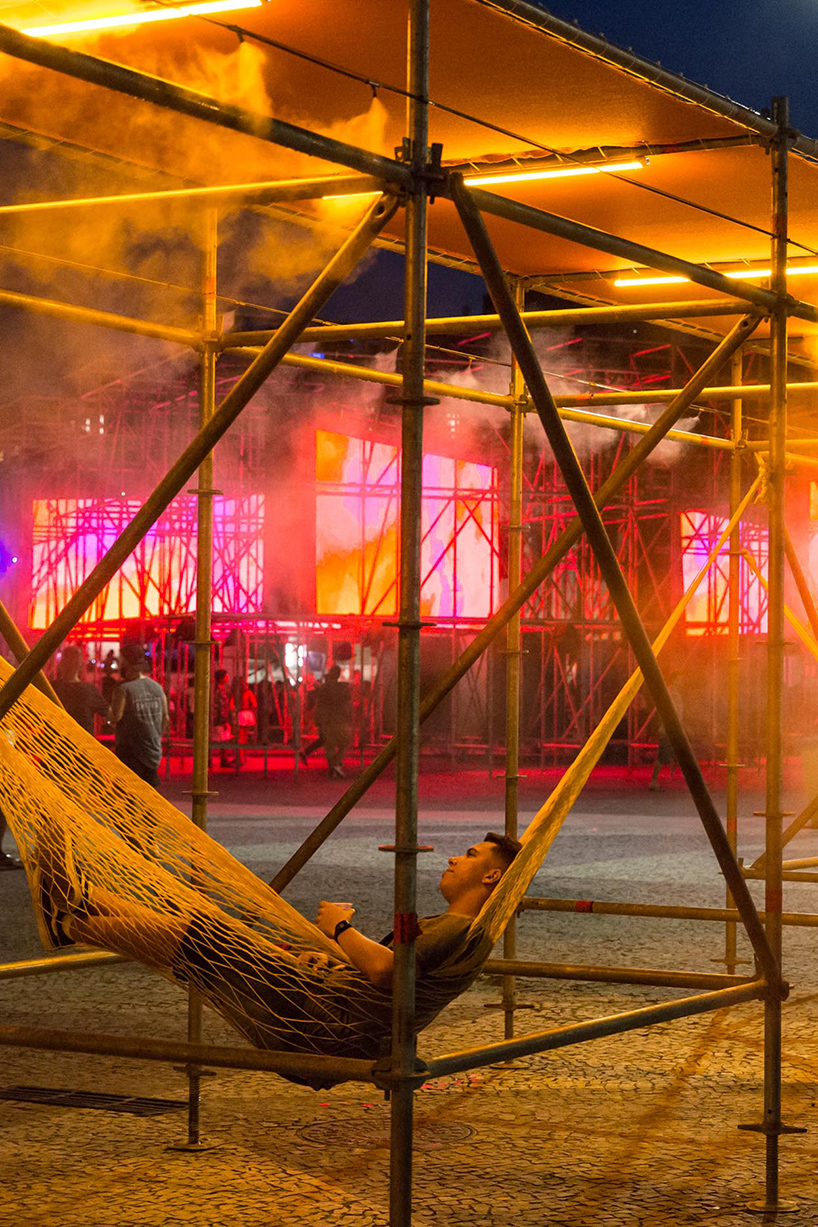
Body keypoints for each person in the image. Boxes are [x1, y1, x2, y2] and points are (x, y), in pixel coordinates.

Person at [32, 830, 521, 1079]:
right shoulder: (440, 924)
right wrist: (331, 955)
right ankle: (84, 904)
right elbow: (386, 965)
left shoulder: (457, 927)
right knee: (213, 936)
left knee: (208, 940)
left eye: (471, 856)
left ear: (491, 878)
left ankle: (73, 921)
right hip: (325, 1003)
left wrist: (340, 928)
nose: (455, 859)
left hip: (326, 1027)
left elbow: (384, 970)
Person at [110, 643, 169, 788]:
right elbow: (165, 718)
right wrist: (155, 735)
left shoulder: (123, 689)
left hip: (130, 751)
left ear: (126, 663)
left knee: (127, 797)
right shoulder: (157, 688)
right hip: (152, 750)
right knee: (149, 795)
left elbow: (115, 717)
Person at [53, 644, 109, 735]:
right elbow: (108, 714)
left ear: (61, 664)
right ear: (80, 666)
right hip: (83, 742)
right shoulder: (90, 690)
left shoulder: (51, 688)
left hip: (56, 740)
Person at [312, 664, 353, 778]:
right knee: (344, 743)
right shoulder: (343, 688)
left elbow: (319, 705)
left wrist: (319, 720)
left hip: (326, 721)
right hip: (340, 719)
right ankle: (336, 763)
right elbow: (347, 705)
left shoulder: (323, 689)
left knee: (329, 745)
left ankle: (332, 768)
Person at [649, 673, 684, 791]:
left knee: (680, 753)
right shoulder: (671, 693)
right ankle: (653, 781)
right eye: (679, 679)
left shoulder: (673, 693)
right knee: (662, 755)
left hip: (673, 728)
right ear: (674, 681)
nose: (681, 682)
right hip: (669, 729)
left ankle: (691, 779)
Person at [212, 669, 235, 769]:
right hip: (220, 719)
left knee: (221, 740)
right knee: (221, 740)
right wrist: (224, 719)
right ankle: (223, 759)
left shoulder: (219, 689)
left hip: (220, 718)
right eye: (226, 676)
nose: (228, 677)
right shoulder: (219, 690)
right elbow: (221, 706)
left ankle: (220, 759)